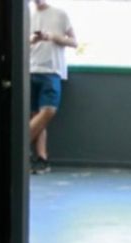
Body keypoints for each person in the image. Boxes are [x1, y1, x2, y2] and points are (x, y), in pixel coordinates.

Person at [28, 0, 76, 175]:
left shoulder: (60, 14)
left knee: (48, 111)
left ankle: (17, 146)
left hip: (52, 71)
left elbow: (74, 42)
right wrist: (32, 40)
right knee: (37, 117)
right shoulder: (27, 16)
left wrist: (54, 37)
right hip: (30, 70)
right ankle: (42, 158)